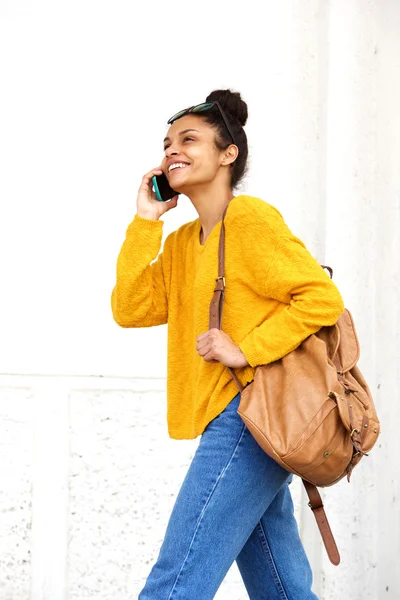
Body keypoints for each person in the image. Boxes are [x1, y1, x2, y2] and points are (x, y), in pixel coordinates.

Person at [111, 89, 344, 600]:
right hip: (231, 417)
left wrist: (247, 348)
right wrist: (145, 221)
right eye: (167, 142)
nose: (172, 150)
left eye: (189, 139)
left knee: (177, 580)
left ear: (228, 153)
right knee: (281, 588)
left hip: (249, 413)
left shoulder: (250, 220)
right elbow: (129, 308)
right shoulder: (180, 244)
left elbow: (320, 298)